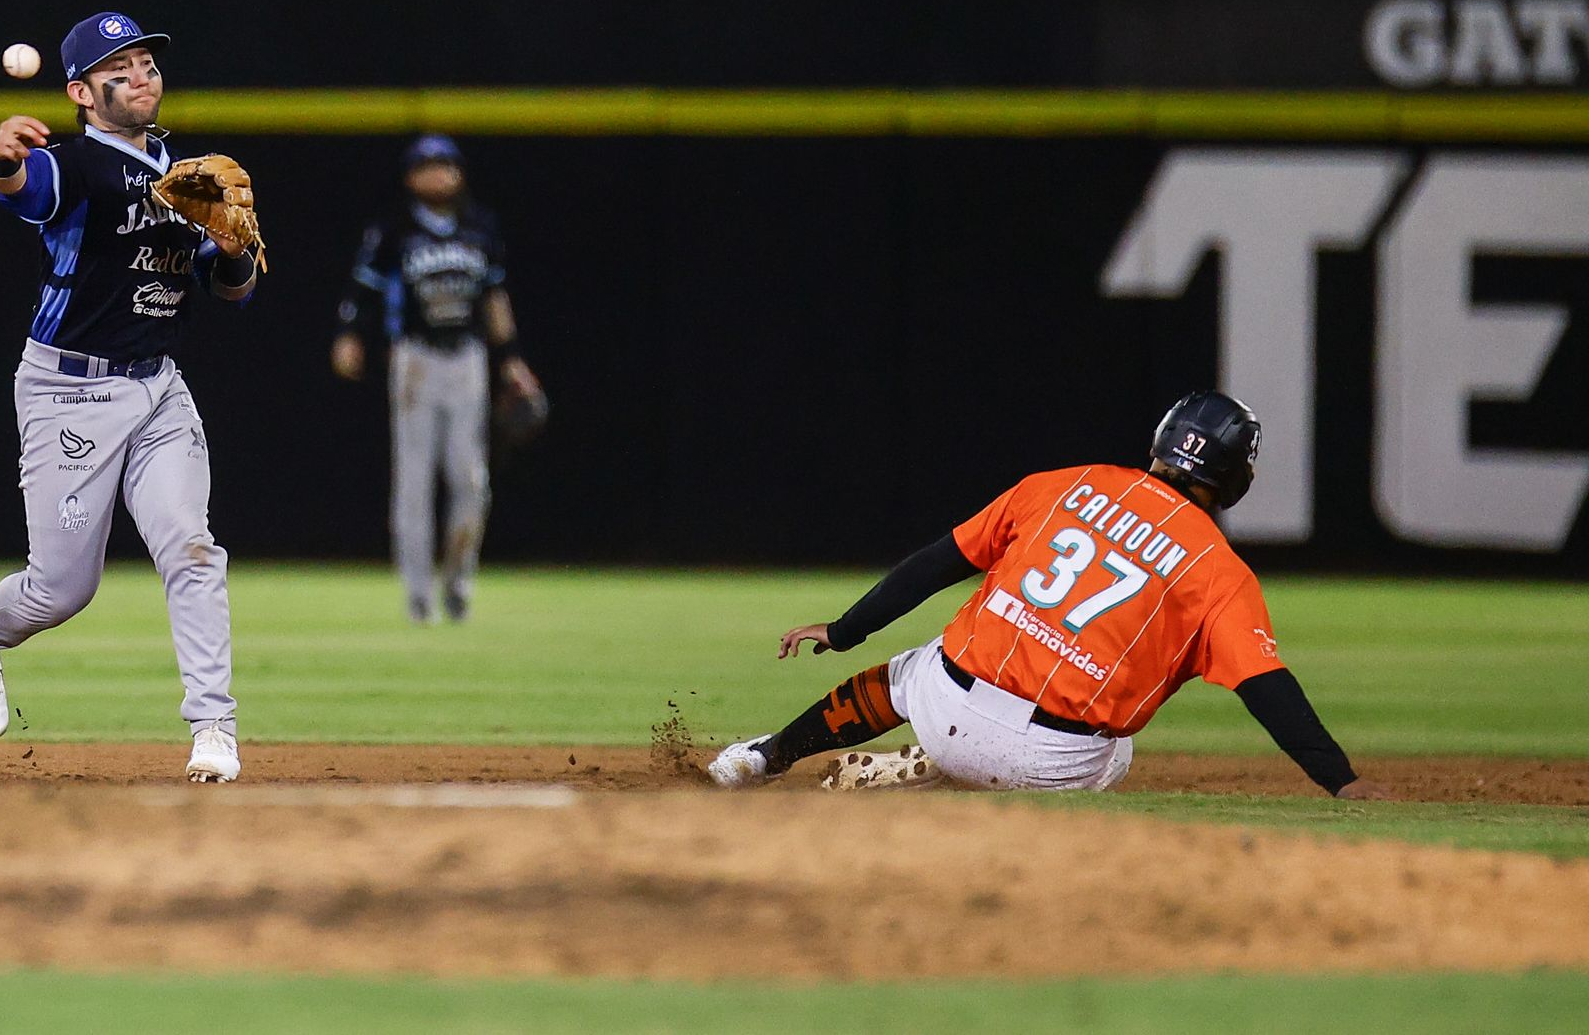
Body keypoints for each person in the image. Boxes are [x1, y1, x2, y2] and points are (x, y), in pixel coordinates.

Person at [709, 392, 1392, 800]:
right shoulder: (1220, 570)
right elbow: (1267, 687)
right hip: (1050, 766)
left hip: (945, 706)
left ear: (1162, 443)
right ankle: (944, 774)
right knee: (1118, 751)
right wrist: (1340, 780)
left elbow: (935, 565)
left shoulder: (1063, 483)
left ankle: (763, 757)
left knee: (909, 671)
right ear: (1234, 476)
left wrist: (845, 629)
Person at [0, 11, 263, 782]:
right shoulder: (79, 167)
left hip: (158, 390)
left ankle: (214, 730)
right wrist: (0, 156)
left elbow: (235, 291)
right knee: (61, 589)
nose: (142, 74)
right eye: (119, 66)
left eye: (148, 61)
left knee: (191, 549)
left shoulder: (187, 180)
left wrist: (233, 250)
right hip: (67, 394)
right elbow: (21, 190)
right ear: (82, 92)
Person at [331, 135, 540, 623]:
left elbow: (494, 298)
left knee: (470, 479)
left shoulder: (479, 228)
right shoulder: (395, 229)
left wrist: (511, 359)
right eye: (427, 166)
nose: (437, 174)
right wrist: (348, 334)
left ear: (459, 173)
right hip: (415, 359)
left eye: (445, 165)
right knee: (414, 481)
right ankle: (419, 594)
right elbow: (362, 289)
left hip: (467, 359)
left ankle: (459, 583)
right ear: (411, 177)